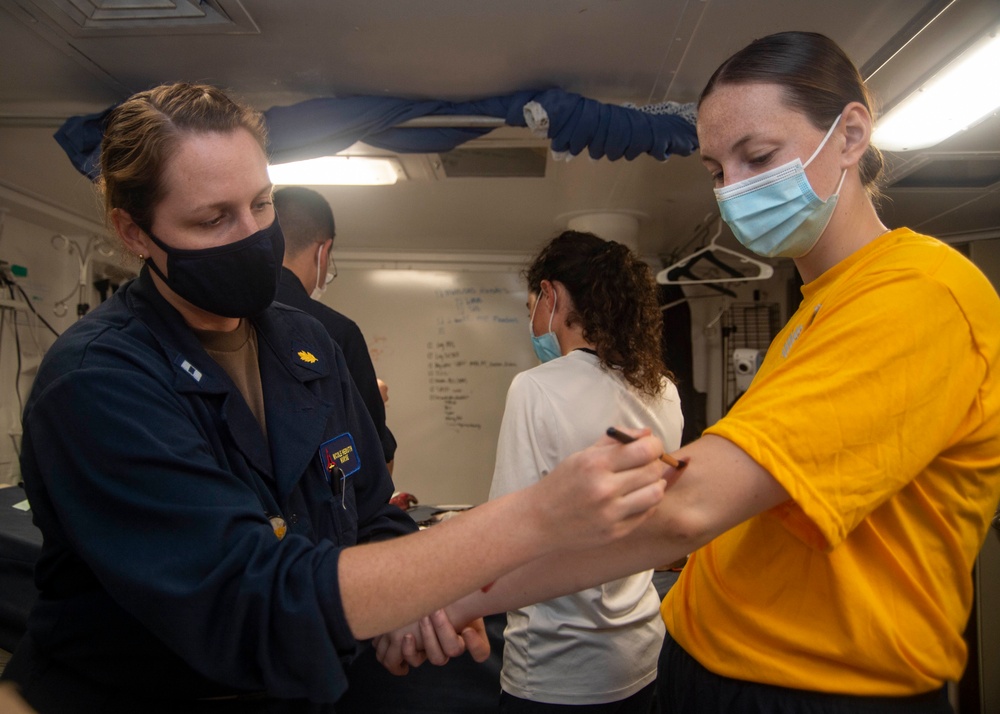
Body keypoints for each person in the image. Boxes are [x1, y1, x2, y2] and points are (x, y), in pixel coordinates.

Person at [378, 31, 1000, 714]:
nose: (734, 191)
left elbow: (685, 508)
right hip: (705, 664)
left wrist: (450, 588)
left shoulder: (920, 295)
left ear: (851, 134)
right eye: (715, 170)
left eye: (758, 156)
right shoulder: (818, 313)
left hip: (812, 691)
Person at [0, 81, 670, 714]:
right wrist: (532, 519)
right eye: (212, 219)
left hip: (309, 686)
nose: (253, 235)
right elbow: (250, 596)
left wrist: (417, 604)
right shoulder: (97, 383)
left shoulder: (303, 342)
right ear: (134, 233)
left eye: (260, 204)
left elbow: (371, 514)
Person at [489, 230, 683, 712]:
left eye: (533, 303)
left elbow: (503, 533)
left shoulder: (535, 388)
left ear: (551, 296)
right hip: (641, 652)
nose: (531, 319)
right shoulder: (663, 391)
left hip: (557, 666)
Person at [273, 186, 398, 473]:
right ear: (323, 250)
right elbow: (376, 464)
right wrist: (370, 403)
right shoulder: (336, 333)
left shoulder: (226, 317)